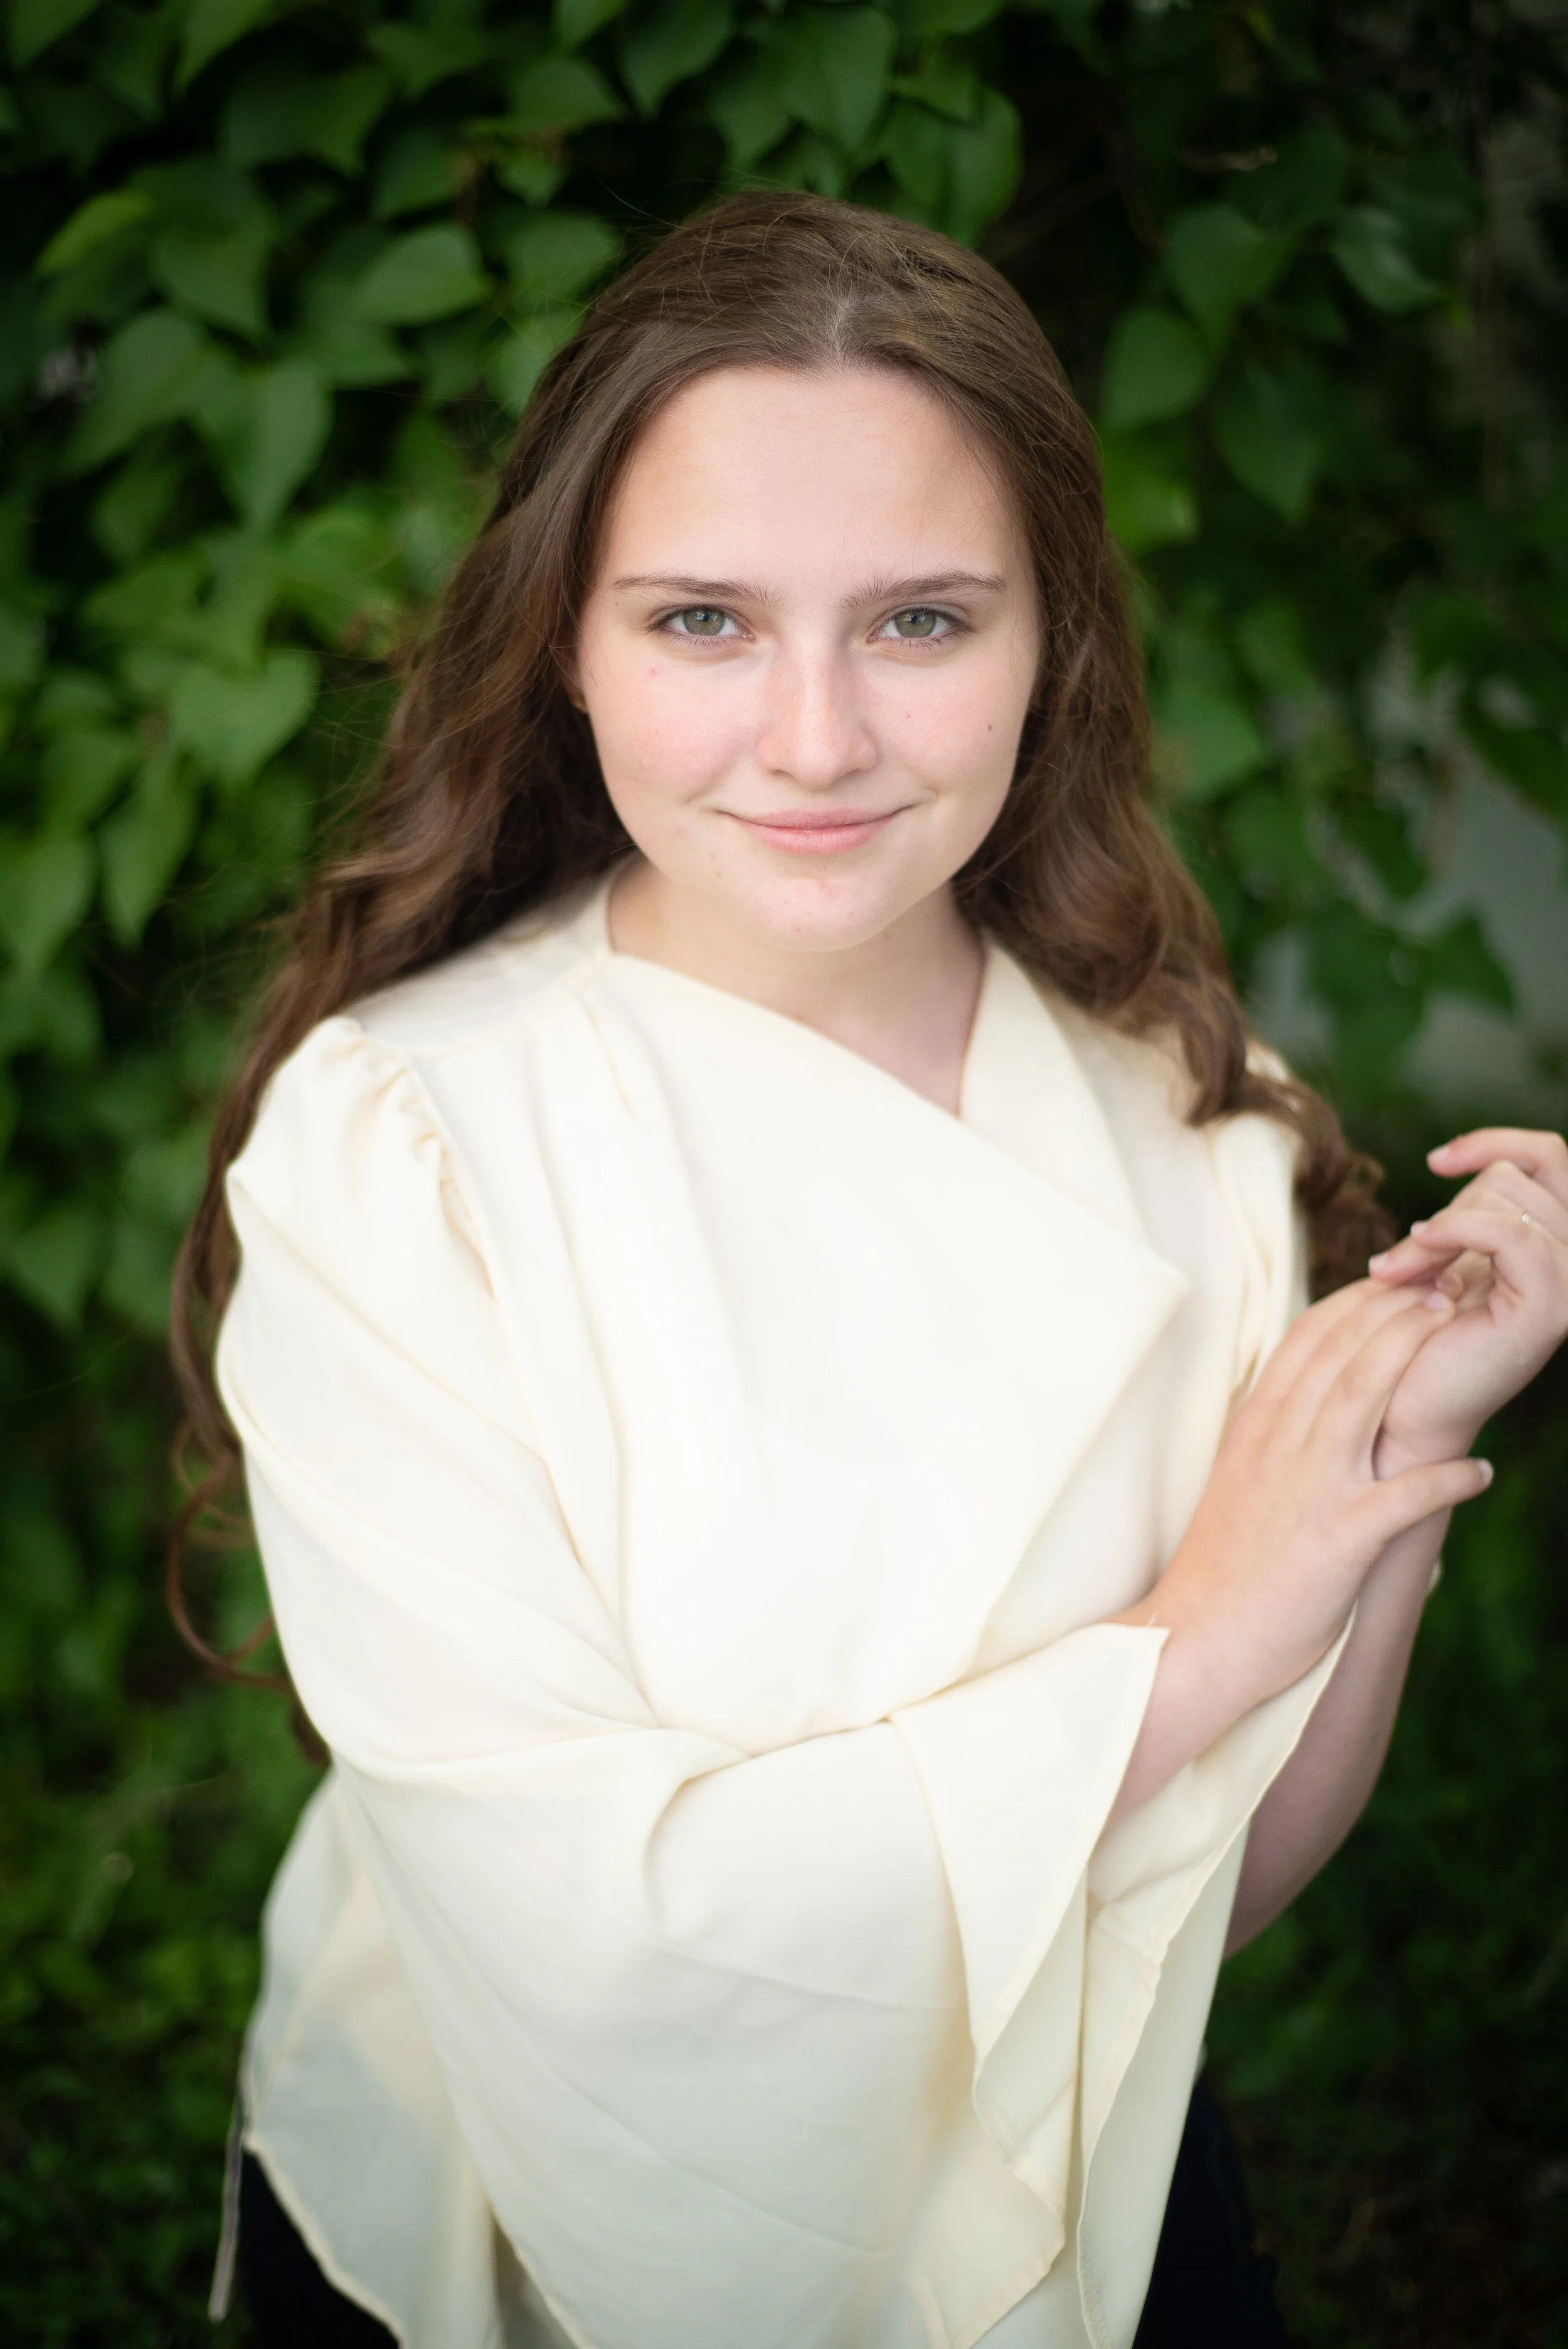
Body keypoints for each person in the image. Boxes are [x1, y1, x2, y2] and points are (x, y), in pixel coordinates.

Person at [172, 193, 1568, 2349]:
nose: (813, 739)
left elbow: (1208, 1893)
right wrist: (1184, 1647)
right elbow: (592, 1962)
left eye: (919, 622)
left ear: (1052, 643)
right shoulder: (412, 1153)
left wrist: (1379, 1464)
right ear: (566, 639)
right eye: (702, 622)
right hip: (536, 2216)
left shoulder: (1182, 1113)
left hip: (1071, 2175)